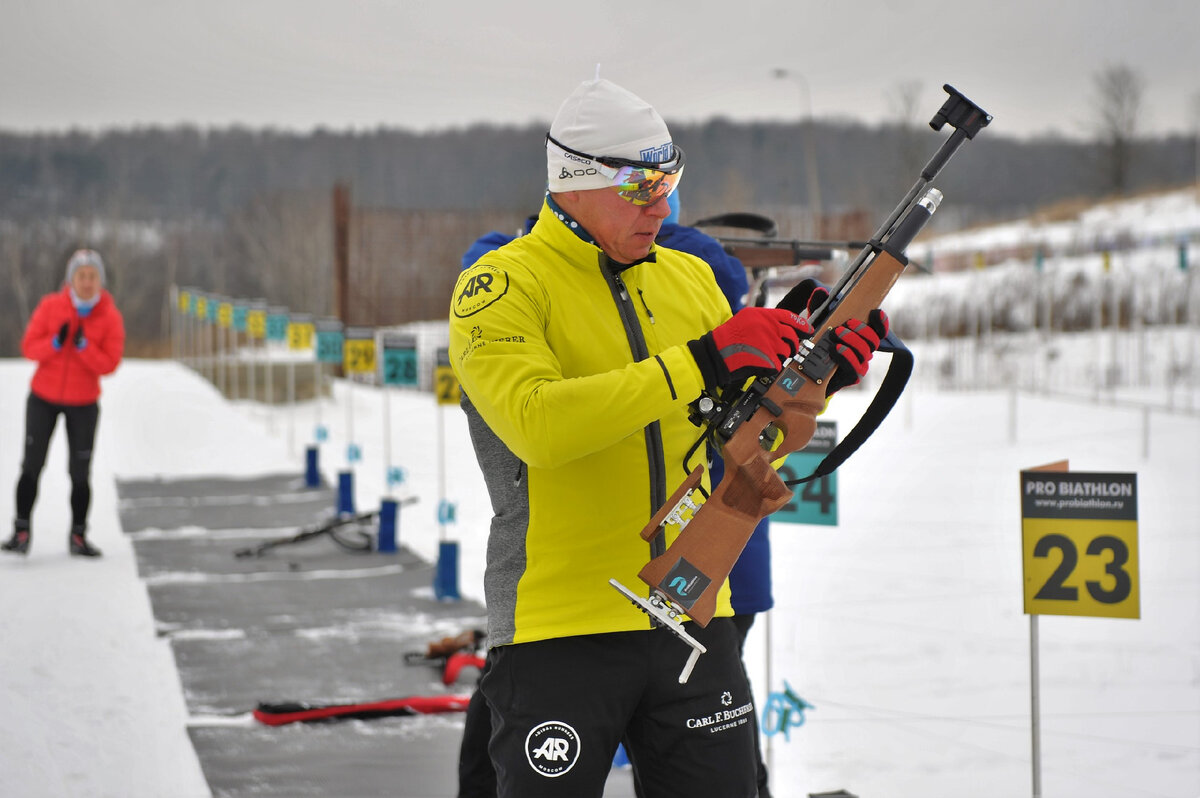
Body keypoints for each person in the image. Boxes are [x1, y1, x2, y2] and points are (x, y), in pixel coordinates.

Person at [448, 78, 887, 798]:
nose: (663, 203)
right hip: (560, 628)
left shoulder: (690, 280)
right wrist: (704, 359)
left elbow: (743, 444)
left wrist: (819, 375)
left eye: (670, 179)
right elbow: (539, 424)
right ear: (573, 181)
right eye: (642, 186)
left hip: (691, 611)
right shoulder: (500, 285)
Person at [3, 248, 125, 557]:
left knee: (80, 472)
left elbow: (109, 363)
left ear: (101, 281)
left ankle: (79, 535)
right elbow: (29, 347)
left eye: (92, 276)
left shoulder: (109, 316)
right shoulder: (50, 307)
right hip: (43, 399)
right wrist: (55, 343)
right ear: (70, 279)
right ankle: (21, 531)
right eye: (81, 276)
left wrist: (83, 347)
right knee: (31, 465)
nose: (86, 282)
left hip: (83, 403)